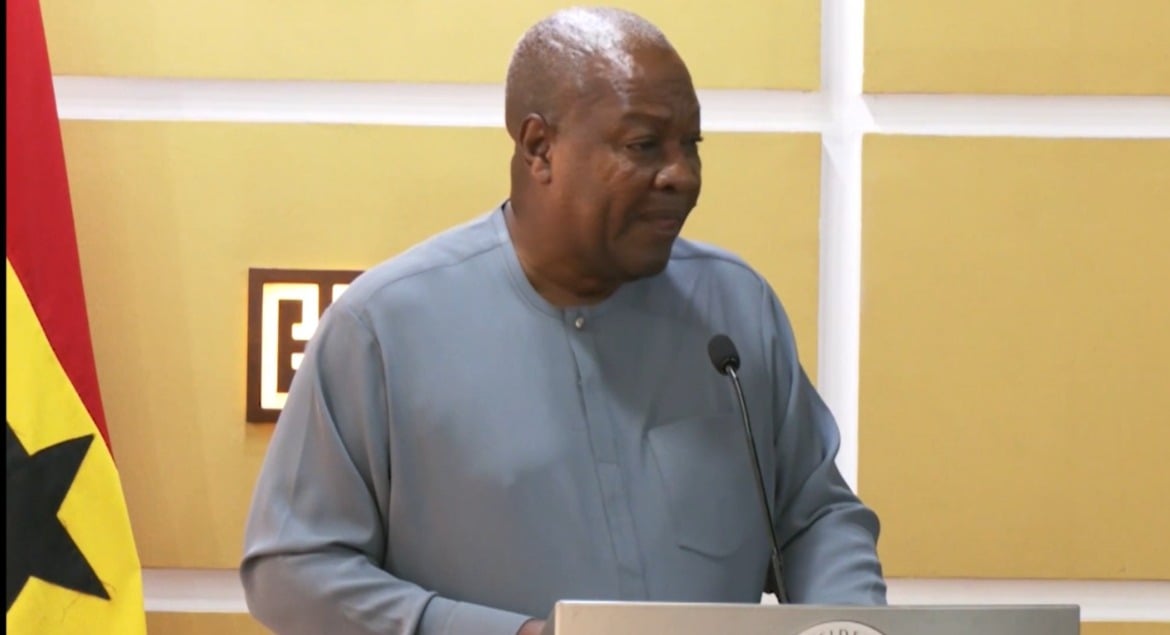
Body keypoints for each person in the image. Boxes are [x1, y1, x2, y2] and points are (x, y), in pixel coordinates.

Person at [240, 6, 886, 635]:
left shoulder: (737, 310)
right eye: (643, 145)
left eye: (691, 145)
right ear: (539, 147)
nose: (681, 176)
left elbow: (816, 517)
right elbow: (293, 570)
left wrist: (846, 624)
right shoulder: (381, 330)